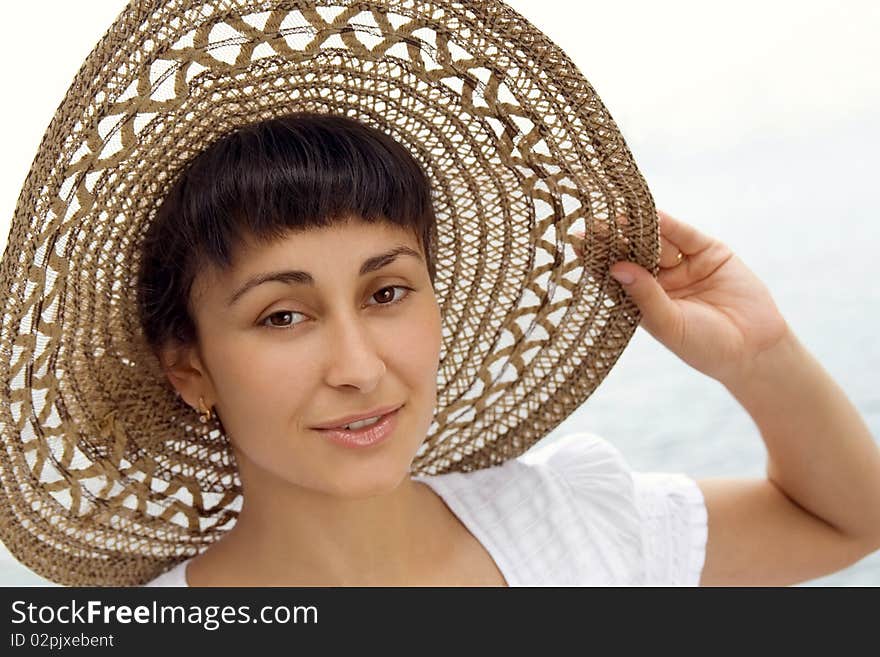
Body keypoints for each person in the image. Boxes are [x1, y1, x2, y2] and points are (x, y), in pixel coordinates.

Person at [136, 112, 880, 587]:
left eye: (387, 292)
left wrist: (759, 355)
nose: (359, 368)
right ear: (191, 368)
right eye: (283, 316)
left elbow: (851, 521)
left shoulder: (574, 524)